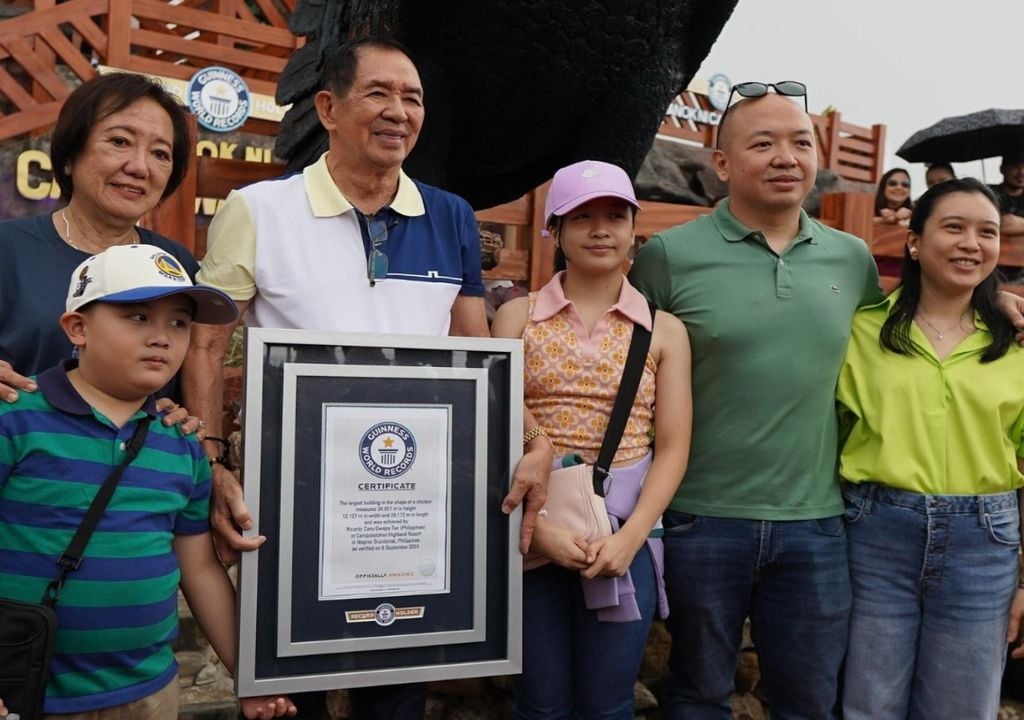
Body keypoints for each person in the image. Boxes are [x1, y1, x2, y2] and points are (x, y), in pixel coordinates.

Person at [182, 35, 551, 720]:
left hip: (415, 511)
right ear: (326, 106)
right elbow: (205, 349)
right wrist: (212, 462)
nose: (398, 112)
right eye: (378, 93)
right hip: (295, 508)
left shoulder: (451, 217)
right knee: (294, 696)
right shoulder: (259, 211)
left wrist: (534, 439)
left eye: (412, 98)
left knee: (399, 690)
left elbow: (476, 350)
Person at [629, 85, 883, 719]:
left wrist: (999, 311)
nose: (785, 157)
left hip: (817, 523)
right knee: (696, 695)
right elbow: (623, 368)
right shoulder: (668, 257)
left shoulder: (851, 260)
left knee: (808, 701)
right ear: (721, 163)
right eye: (762, 143)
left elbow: (901, 345)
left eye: (801, 143)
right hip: (698, 519)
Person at [0, 245, 295, 720]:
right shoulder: (15, 419)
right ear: (78, 328)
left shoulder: (181, 443)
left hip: (152, 693)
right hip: (30, 694)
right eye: (137, 316)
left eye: (179, 323)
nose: (162, 337)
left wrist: (249, 675)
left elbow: (198, 569)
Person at [492, 160, 691, 719]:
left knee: (607, 705)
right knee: (540, 704)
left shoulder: (664, 329)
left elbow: (673, 445)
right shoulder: (516, 316)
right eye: (581, 217)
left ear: (634, 229)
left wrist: (629, 540)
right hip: (531, 535)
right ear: (554, 229)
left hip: (626, 535)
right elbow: (493, 421)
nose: (600, 229)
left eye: (615, 215)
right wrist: (541, 534)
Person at [837, 178, 1024, 719]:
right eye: (954, 227)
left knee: (962, 708)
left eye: (986, 232)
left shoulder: (1014, 342)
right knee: (868, 703)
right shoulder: (861, 331)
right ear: (915, 241)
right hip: (875, 534)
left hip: (984, 542)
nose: (972, 243)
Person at [0, 72, 199, 417]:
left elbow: (178, 382)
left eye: (160, 154)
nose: (139, 167)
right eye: (120, 141)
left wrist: (176, 415)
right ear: (68, 156)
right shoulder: (8, 248)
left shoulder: (176, 264)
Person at [990, 151, 1024, 243]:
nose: (1022, 172)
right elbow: (1001, 224)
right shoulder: (988, 194)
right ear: (1002, 169)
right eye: (1015, 166)